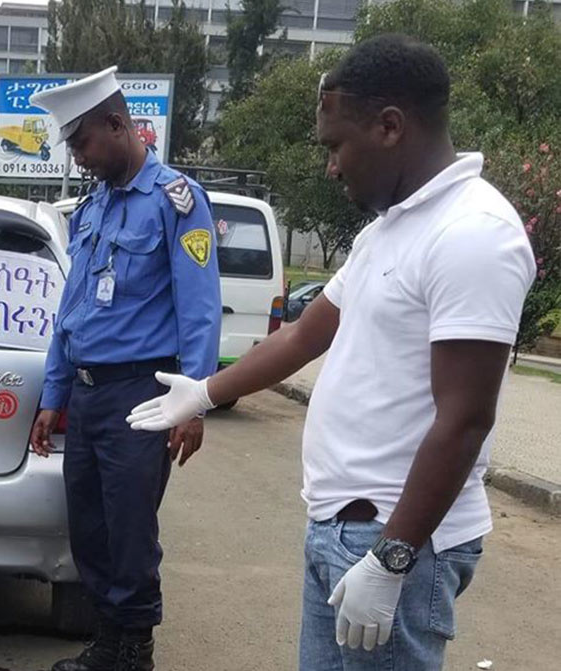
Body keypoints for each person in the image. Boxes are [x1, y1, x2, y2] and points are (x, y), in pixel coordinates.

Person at [127, 35, 536, 671]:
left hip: (396, 541)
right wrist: (206, 391)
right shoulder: (389, 230)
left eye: (336, 146)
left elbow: (464, 420)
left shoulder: (473, 235)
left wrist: (391, 559)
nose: (332, 167)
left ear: (391, 126)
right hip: (344, 530)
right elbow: (304, 335)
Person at [27, 66, 222, 671]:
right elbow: (70, 314)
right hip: (86, 396)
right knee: (89, 527)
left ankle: (134, 651)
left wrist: (194, 401)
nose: (78, 157)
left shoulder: (176, 202)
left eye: (82, 142)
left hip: (140, 394)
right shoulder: (92, 211)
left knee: (130, 530)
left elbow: (199, 307)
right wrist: (53, 394)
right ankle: (109, 643)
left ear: (117, 124)